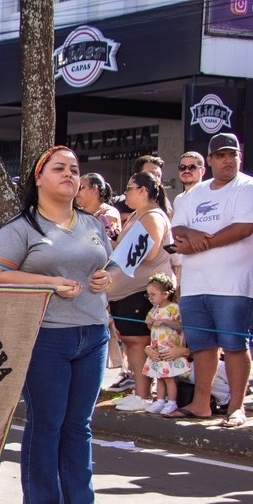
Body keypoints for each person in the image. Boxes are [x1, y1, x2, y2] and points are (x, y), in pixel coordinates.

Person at [0, 145, 114, 504]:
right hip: (45, 337)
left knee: (79, 425)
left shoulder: (92, 224)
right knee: (48, 423)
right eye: (59, 168)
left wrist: (105, 280)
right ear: (38, 178)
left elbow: (107, 269)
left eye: (74, 169)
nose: (69, 175)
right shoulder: (21, 228)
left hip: (93, 333)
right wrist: (49, 283)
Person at [168, 132, 253, 427]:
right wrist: (190, 234)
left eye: (232, 155)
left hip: (233, 284)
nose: (227, 160)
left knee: (234, 345)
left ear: (240, 156)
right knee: (202, 346)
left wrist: (201, 243)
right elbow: (177, 228)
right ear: (210, 160)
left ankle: (236, 407)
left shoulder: (247, 187)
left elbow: (244, 228)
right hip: (195, 284)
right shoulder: (194, 193)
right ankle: (201, 404)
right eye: (221, 155)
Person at [110, 171, 174, 413]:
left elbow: (148, 251)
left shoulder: (153, 216)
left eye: (129, 188)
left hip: (140, 290)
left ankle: (143, 395)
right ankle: (140, 392)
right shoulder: (138, 215)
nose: (125, 193)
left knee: (138, 343)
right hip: (125, 291)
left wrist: (120, 248)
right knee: (131, 342)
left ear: (143, 190)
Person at [142, 273, 190, 415]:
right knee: (160, 376)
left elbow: (181, 326)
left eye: (153, 294)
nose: (150, 298)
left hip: (169, 348)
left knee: (169, 378)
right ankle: (160, 400)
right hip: (157, 349)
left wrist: (164, 322)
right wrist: (149, 323)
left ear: (165, 294)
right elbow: (151, 328)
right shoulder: (153, 310)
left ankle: (172, 402)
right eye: (148, 295)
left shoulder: (174, 308)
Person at [76, 173, 121, 240]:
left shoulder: (109, 213)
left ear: (94, 188)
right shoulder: (76, 214)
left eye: (80, 188)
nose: (76, 192)